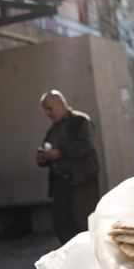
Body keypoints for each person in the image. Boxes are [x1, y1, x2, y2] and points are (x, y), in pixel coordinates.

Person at [36, 90, 100, 245]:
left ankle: (92, 261)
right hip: (60, 185)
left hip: (81, 184)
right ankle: (74, 263)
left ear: (60, 103)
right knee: (63, 226)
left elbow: (85, 146)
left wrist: (60, 153)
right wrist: (43, 157)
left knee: (84, 224)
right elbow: (47, 151)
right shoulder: (53, 130)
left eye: (50, 108)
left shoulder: (80, 121)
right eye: (45, 109)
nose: (47, 113)